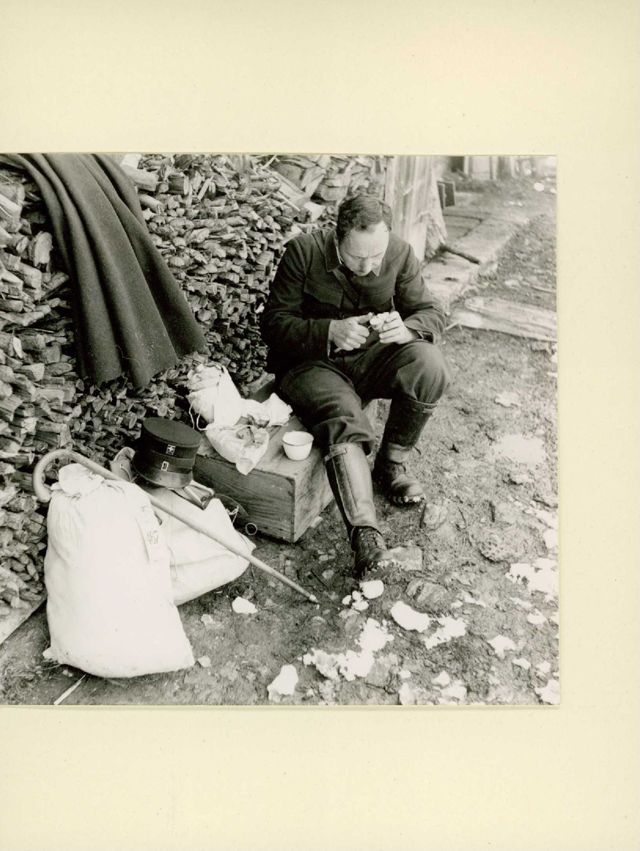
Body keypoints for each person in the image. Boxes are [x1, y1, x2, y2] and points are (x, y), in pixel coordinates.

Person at [260, 194, 449, 578]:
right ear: (337, 237)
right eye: (357, 257)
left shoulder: (399, 253)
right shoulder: (303, 252)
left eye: (375, 256)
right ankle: (366, 536)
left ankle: (390, 465)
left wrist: (407, 329)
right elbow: (273, 324)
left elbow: (431, 312)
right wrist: (328, 331)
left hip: (369, 359)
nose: (368, 267)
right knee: (343, 414)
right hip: (311, 365)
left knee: (429, 366)